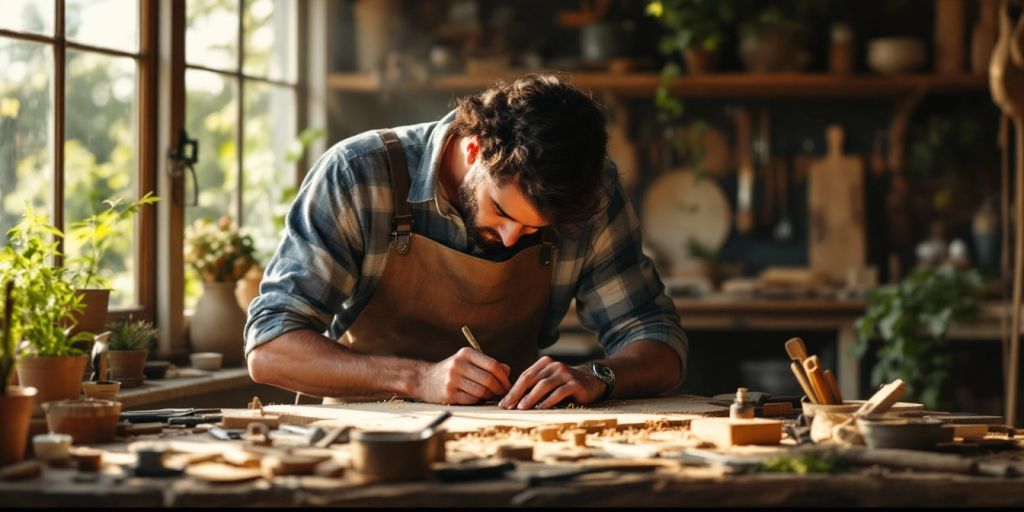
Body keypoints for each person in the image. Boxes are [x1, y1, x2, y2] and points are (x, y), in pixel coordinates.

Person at [245, 74, 687, 409]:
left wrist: (601, 375)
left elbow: (656, 338)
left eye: (536, 231)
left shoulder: (590, 192)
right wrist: (418, 379)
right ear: (474, 151)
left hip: (512, 431)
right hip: (370, 436)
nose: (512, 238)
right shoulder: (358, 174)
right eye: (503, 211)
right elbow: (270, 348)